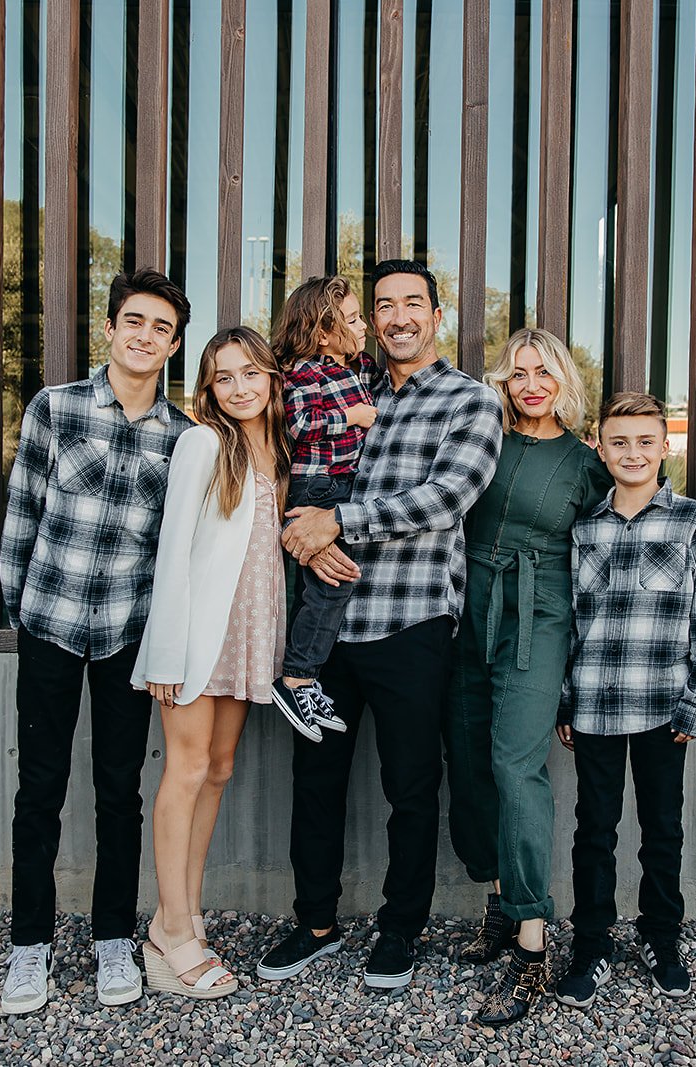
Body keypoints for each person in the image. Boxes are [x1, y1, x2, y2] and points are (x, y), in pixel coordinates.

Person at [255, 259, 503, 991]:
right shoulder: (348, 385)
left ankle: (400, 929)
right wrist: (306, 529)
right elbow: (287, 472)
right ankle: (316, 921)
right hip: (326, 629)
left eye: (411, 303)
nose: (396, 317)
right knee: (315, 779)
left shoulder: (469, 401)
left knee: (411, 785)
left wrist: (337, 523)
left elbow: (444, 497)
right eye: (383, 305)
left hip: (410, 621)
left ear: (436, 313)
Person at [0, 269, 194, 1015]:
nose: (146, 336)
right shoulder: (58, 407)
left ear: (174, 346)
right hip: (50, 623)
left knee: (121, 791)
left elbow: (173, 550)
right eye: (134, 321)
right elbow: (23, 510)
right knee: (39, 790)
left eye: (162, 329)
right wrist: (21, 610)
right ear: (109, 328)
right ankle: (28, 948)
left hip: (126, 637)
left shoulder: (183, 437)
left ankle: (113, 937)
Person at [444, 328, 610, 1027]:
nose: (531, 384)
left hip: (538, 618)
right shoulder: (480, 438)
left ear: (562, 381)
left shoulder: (583, 463)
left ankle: (532, 945)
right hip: (466, 607)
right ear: (503, 382)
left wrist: (580, 681)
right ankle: (499, 898)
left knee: (517, 767)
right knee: (469, 763)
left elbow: (604, 568)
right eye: (518, 373)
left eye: (543, 372)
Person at [128, 326, 293, 999]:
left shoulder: (277, 451)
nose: (240, 387)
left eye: (251, 373)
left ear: (270, 378)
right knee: (187, 768)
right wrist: (165, 649)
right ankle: (171, 935)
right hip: (196, 638)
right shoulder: (202, 443)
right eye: (225, 377)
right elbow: (172, 553)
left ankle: (183, 912)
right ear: (209, 387)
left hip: (247, 634)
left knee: (218, 770)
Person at [552, 391, 696, 1009]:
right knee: (593, 829)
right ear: (600, 447)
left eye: (645, 441)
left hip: (663, 707)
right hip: (597, 703)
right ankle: (592, 944)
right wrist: (566, 701)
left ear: (664, 446)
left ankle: (661, 937)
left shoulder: (690, 521)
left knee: (662, 828)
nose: (632, 453)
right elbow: (573, 621)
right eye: (619, 442)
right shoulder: (586, 527)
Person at [268, 276, 378, 740]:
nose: (364, 326)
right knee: (329, 588)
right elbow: (297, 424)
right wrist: (350, 417)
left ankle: (306, 677)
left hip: (342, 486)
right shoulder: (304, 372)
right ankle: (296, 678)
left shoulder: (356, 366)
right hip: (318, 486)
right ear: (320, 333)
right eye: (352, 320)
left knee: (336, 581)